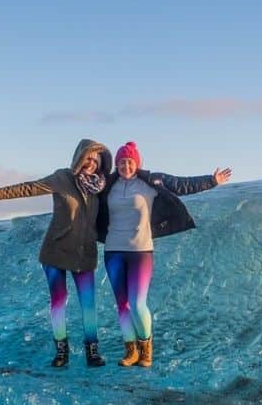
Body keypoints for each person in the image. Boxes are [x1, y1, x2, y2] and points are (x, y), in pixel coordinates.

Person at [0, 139, 113, 367]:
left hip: (84, 253)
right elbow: (29, 188)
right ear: (79, 157)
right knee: (58, 301)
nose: (91, 163)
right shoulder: (61, 178)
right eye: (88, 158)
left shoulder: (101, 187)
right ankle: (62, 352)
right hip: (55, 251)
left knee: (88, 304)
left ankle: (92, 352)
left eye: (96, 160)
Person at [96, 141, 231, 367]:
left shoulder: (149, 182)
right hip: (113, 250)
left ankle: (146, 348)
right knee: (122, 305)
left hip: (140, 251)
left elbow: (181, 184)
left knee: (137, 303)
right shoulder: (108, 185)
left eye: (129, 161)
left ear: (136, 163)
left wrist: (211, 180)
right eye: (121, 162)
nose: (125, 166)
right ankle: (131, 351)